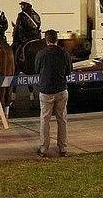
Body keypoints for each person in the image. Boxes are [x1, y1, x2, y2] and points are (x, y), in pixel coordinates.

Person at [33, 30, 72, 158]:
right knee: (62, 120)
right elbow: (68, 72)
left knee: (45, 120)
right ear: (57, 40)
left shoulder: (41, 54)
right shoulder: (64, 53)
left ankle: (44, 148)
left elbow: (37, 70)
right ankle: (63, 148)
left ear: (46, 40)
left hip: (46, 91)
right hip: (61, 90)